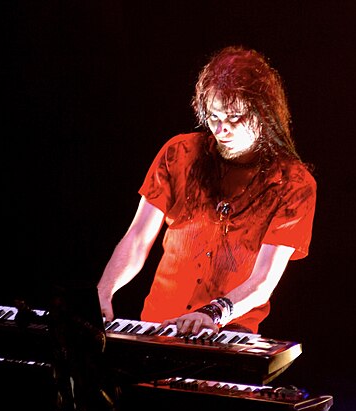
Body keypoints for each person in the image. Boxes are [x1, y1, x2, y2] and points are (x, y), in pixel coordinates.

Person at [97, 45, 316, 336]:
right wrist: (102, 292)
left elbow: (263, 281)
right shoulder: (178, 153)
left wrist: (212, 313)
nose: (222, 128)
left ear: (264, 113)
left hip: (227, 335)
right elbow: (137, 239)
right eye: (214, 117)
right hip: (157, 329)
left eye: (235, 117)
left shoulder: (293, 184)